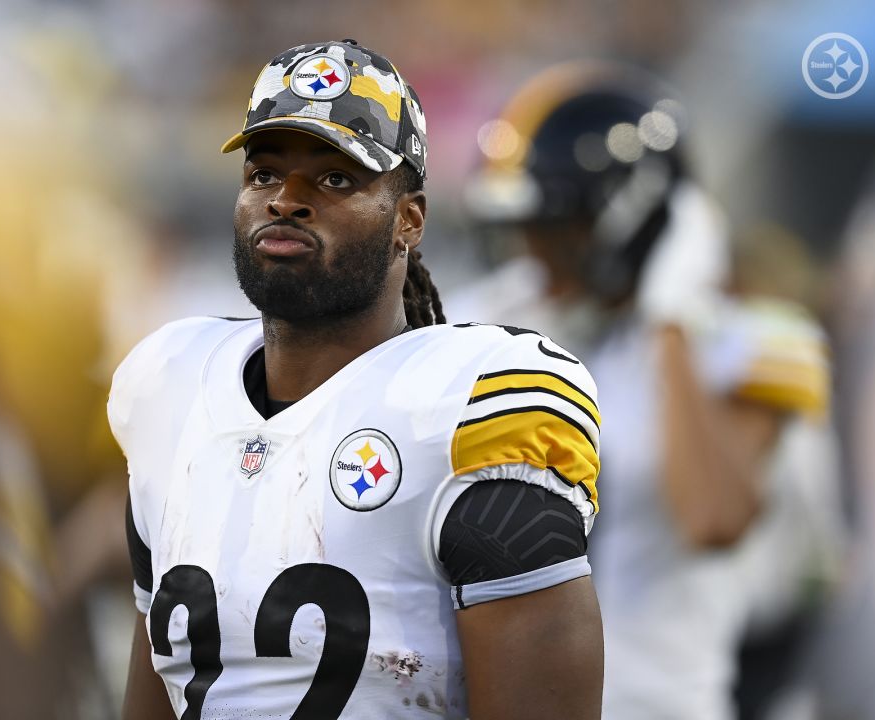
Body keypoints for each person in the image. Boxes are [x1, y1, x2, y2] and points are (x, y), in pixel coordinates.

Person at [111, 40, 604, 719]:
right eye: (263, 174)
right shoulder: (171, 384)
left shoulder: (465, 404)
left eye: (335, 180)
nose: (286, 200)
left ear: (410, 219)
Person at [453, 62, 830, 720]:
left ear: (628, 217)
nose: (531, 248)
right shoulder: (516, 322)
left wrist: (670, 318)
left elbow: (713, 516)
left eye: (554, 225)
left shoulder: (760, 343)